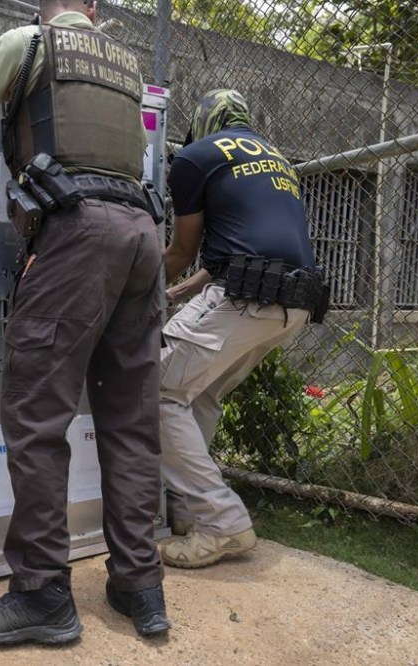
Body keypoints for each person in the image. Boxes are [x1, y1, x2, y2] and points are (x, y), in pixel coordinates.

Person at [0, 0, 170, 643]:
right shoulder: (124, 64)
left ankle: (42, 594)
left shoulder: (28, 44)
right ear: (93, 9)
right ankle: (139, 587)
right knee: (130, 422)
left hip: (77, 236)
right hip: (143, 238)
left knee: (37, 419)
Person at [160, 89, 321, 569]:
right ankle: (194, 513)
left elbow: (181, 252)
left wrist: (135, 284)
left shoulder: (194, 157)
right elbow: (229, 254)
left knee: (153, 391)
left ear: (204, 122)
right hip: (293, 304)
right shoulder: (277, 161)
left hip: (245, 300)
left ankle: (223, 522)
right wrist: (176, 296)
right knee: (198, 393)